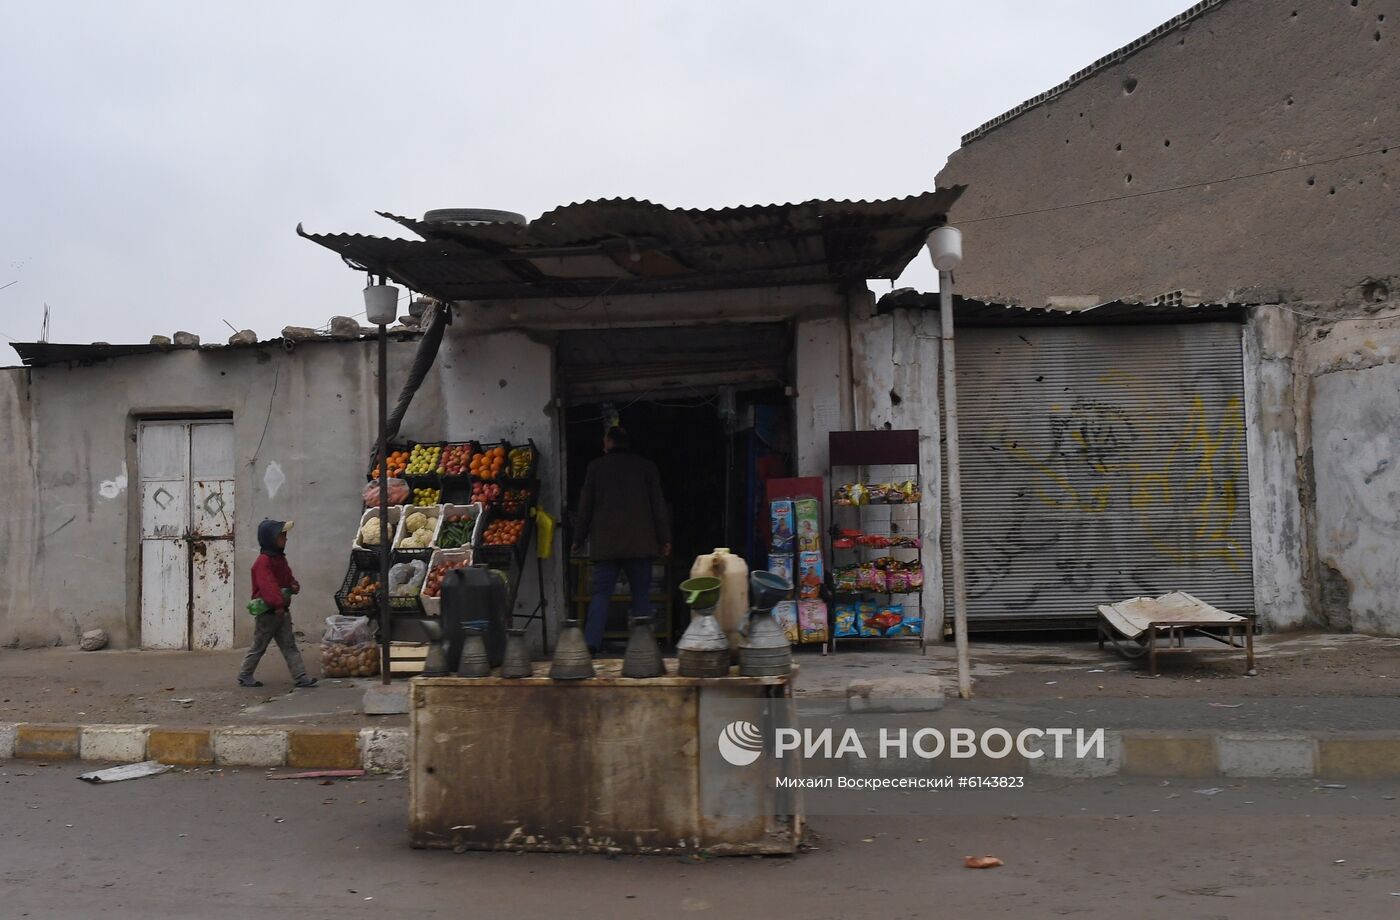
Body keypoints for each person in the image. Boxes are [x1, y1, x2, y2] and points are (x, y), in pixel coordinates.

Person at [572, 427, 672, 653]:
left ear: (608, 443)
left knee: (600, 596)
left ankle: (590, 645)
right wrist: (665, 538)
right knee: (641, 597)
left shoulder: (596, 467)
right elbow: (658, 505)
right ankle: (643, 646)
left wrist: (578, 539)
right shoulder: (646, 467)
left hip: (607, 547)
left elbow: (585, 508)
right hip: (640, 545)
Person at [238, 519, 317, 688]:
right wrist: (278, 604)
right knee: (259, 646)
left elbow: (287, 578)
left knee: (289, 645)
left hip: (281, 611)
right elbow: (268, 586)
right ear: (271, 539)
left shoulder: (280, 559)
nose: (285, 539)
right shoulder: (263, 562)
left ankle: (301, 676)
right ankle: (245, 674)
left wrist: (294, 585)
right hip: (268, 613)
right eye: (282, 536)